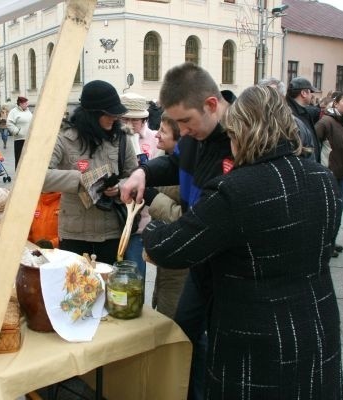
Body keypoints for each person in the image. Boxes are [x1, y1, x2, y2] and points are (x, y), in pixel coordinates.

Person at [143, 85, 343, 398]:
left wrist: (152, 227)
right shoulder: (324, 179)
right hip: (317, 326)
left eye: (233, 134)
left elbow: (171, 248)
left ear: (243, 133)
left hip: (255, 339)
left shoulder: (235, 190)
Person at [121, 63, 234, 400]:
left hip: (225, 260)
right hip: (197, 257)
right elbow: (173, 163)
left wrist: (163, 239)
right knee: (183, 332)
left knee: (218, 344)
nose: (181, 130)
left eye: (186, 121)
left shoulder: (239, 140)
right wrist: (143, 173)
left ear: (211, 105)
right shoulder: (194, 134)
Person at [42, 80, 137, 265]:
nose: (114, 118)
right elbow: (40, 177)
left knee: (110, 290)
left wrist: (119, 187)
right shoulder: (64, 138)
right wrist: (81, 180)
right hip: (74, 233)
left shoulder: (122, 139)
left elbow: (135, 175)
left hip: (111, 231)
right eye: (108, 114)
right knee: (75, 290)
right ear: (92, 114)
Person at [143, 112, 188, 319]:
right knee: (161, 304)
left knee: (175, 318)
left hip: (183, 260)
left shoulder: (190, 168)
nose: (157, 135)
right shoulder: (162, 159)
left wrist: (153, 199)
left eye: (163, 131)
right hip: (166, 252)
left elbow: (191, 218)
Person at [119, 92, 160, 278]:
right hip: (116, 216)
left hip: (141, 218)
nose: (128, 124)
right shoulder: (114, 139)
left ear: (144, 119)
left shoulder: (154, 139)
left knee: (135, 275)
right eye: (124, 119)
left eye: (133, 120)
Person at [315, 91, 343, 258]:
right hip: (328, 174)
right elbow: (314, 145)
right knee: (330, 211)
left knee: (339, 210)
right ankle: (325, 244)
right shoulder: (325, 122)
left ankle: (331, 241)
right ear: (336, 103)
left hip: (342, 174)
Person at [286, 76, 321, 161]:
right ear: (304, 93)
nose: (312, 95)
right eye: (311, 92)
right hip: (303, 165)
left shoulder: (303, 112)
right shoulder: (289, 114)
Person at [7, 96, 33, 169]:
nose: (27, 104)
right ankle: (18, 177)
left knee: (28, 159)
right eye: (25, 103)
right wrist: (16, 131)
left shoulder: (28, 111)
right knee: (19, 159)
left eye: (27, 103)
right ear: (20, 104)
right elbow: (9, 123)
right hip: (19, 139)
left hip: (28, 139)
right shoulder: (14, 111)